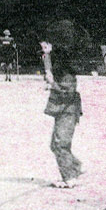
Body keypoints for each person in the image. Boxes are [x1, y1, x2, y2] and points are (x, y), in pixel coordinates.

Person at [41, 40, 83, 187]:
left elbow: (67, 93)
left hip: (68, 111)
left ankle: (69, 178)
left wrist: (52, 83)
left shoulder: (66, 76)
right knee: (54, 144)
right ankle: (75, 168)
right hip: (64, 110)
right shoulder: (61, 72)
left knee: (60, 143)